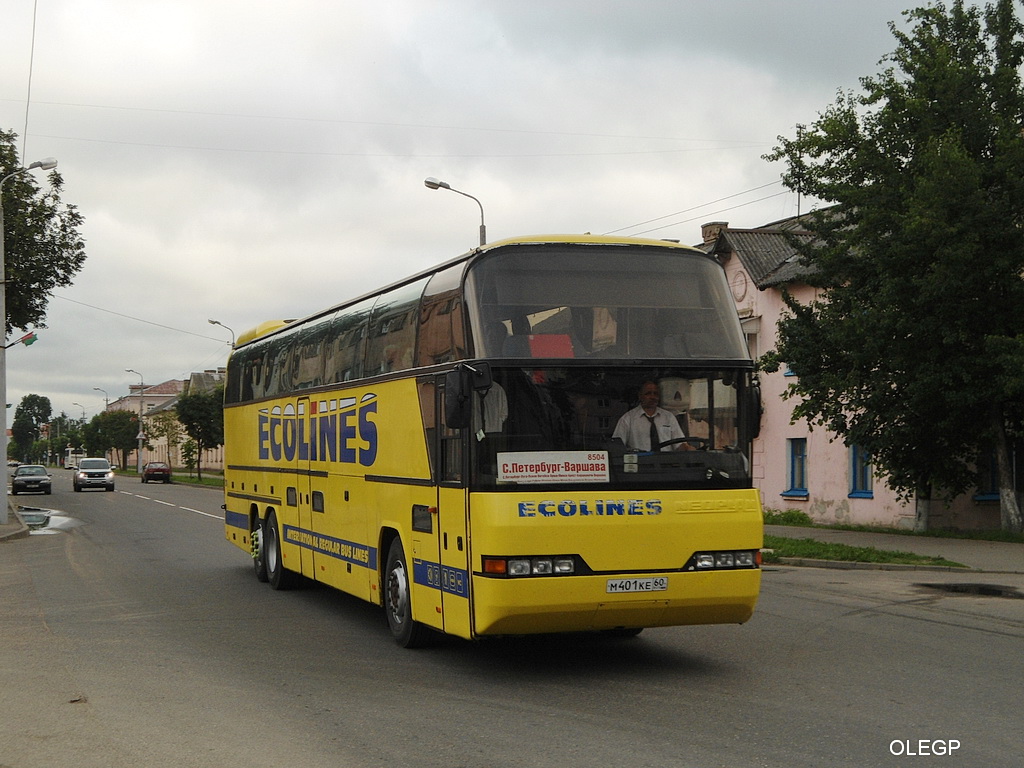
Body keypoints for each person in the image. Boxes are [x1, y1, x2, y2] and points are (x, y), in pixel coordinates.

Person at [612, 379, 689, 451]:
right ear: (640, 396)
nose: (652, 397)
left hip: (665, 464)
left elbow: (679, 444)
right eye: (648, 393)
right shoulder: (627, 419)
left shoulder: (669, 417)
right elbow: (617, 448)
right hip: (641, 463)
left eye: (655, 394)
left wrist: (689, 449)